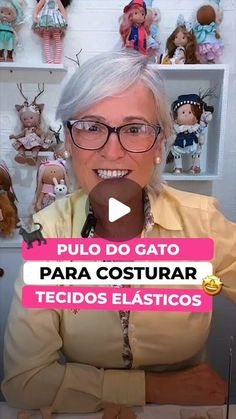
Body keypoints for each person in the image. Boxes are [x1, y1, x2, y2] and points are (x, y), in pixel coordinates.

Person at [2, 51, 236, 416]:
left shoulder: (202, 222)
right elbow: (25, 381)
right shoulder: (50, 231)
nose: (112, 152)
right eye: (92, 126)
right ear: (69, 139)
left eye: (135, 129)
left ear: (160, 144)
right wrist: (153, 388)